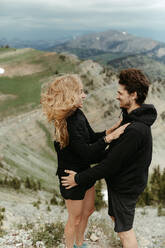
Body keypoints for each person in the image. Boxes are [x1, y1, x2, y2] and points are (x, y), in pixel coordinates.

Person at [61, 69, 157, 248]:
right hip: (122, 183)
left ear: (133, 95)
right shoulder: (131, 121)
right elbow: (111, 154)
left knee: (124, 232)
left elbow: (108, 165)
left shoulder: (135, 130)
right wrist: (109, 134)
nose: (116, 97)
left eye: (120, 93)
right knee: (116, 219)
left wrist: (78, 179)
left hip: (125, 187)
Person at [40, 74, 129, 248]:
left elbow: (90, 138)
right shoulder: (69, 122)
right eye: (80, 92)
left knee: (88, 211)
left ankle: (79, 244)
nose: (84, 95)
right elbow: (87, 152)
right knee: (74, 219)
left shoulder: (78, 114)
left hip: (83, 172)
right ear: (70, 95)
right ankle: (71, 246)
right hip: (71, 177)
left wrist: (109, 131)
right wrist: (110, 138)